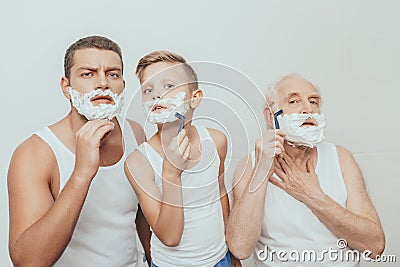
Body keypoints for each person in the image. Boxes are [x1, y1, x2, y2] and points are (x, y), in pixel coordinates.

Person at [7, 35, 151, 267]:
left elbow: (143, 215)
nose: (103, 83)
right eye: (88, 73)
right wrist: (81, 174)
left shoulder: (135, 133)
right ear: (67, 87)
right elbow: (28, 261)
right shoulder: (34, 154)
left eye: (112, 74)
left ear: (123, 85)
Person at [226, 73, 385, 266]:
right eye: (294, 101)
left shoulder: (341, 159)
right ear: (271, 116)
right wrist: (260, 172)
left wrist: (312, 195)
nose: (308, 109)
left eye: (314, 101)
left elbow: (375, 246)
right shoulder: (250, 165)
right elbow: (240, 248)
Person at [124, 51, 241, 267]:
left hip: (220, 259)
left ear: (195, 98)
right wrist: (171, 174)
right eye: (148, 89)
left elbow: (220, 193)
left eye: (168, 86)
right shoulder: (139, 163)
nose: (156, 95)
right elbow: (169, 237)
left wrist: (232, 254)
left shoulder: (216, 140)